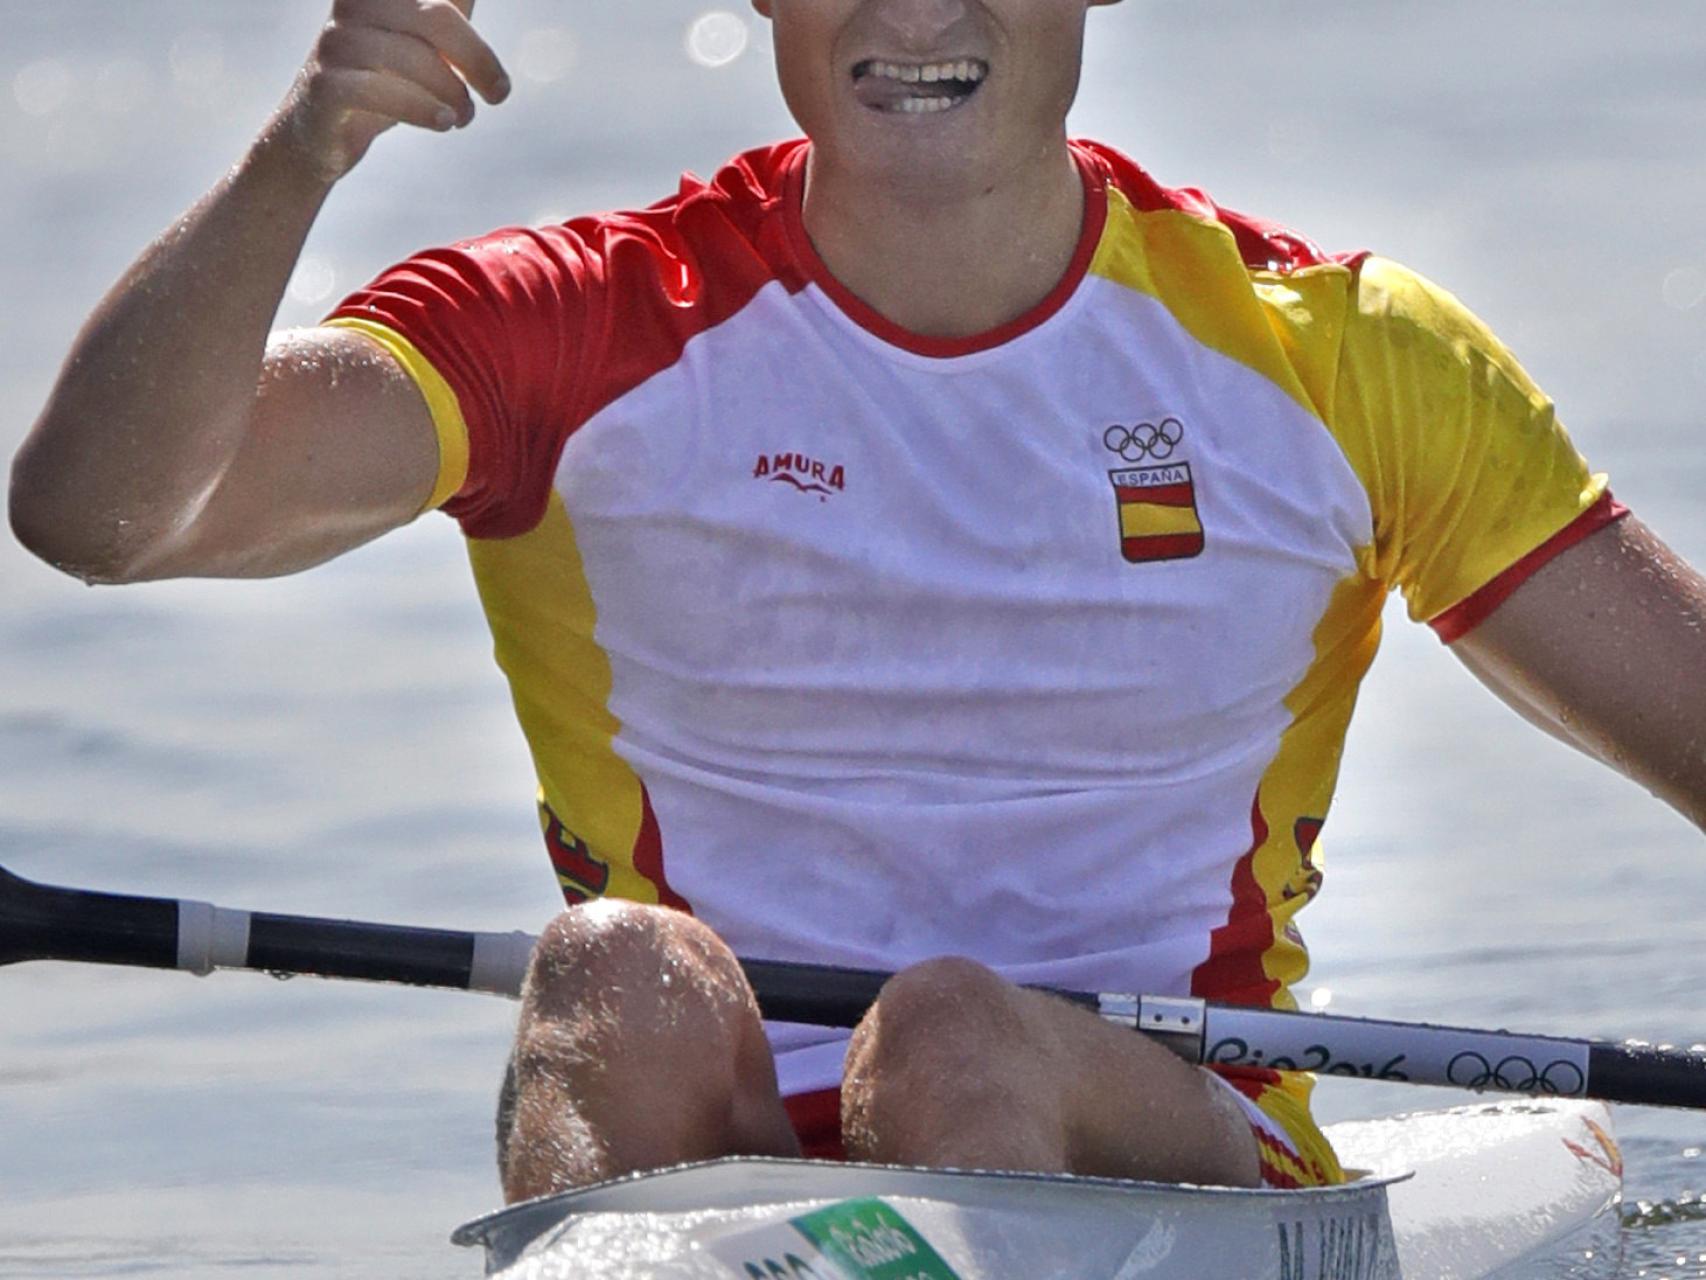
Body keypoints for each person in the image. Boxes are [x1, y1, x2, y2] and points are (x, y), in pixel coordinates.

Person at [9, 0, 1705, 1205]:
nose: (914, 5)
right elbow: (96, 517)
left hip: (1170, 1153)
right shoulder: (573, 328)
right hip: (722, 1166)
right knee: (615, 978)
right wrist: (302, 153)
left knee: (955, 1034)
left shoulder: (1338, 362)